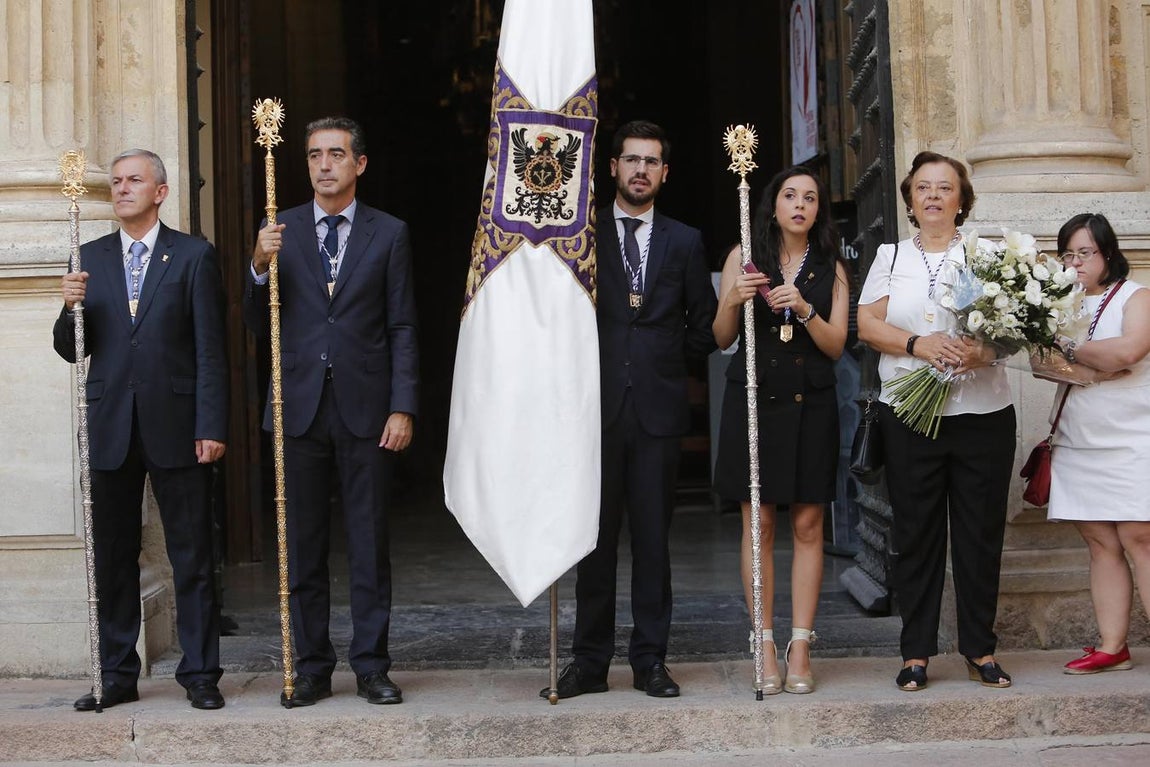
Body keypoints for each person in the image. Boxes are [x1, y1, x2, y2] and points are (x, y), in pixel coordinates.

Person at [244, 117, 419, 707]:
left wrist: (403, 406)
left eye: (336, 154)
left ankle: (371, 665)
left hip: (367, 410)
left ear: (359, 164)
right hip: (297, 407)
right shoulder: (280, 228)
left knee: (368, 543)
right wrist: (257, 266)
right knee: (303, 543)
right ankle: (312, 665)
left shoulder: (388, 233)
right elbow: (255, 323)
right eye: (315, 155)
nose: (324, 165)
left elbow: (401, 326)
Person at [544, 120, 717, 699]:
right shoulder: (580, 236)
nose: (640, 170)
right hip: (592, 414)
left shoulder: (685, 240)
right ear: (612, 167)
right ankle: (589, 663)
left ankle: (650, 662)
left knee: (652, 543)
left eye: (652, 161)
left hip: (659, 414)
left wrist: (665, 363)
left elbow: (703, 325)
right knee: (592, 543)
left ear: (665, 173)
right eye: (631, 160)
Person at [54, 149, 228, 711]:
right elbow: (70, 349)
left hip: (179, 426)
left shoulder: (194, 256)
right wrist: (68, 307)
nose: (123, 188)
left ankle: (201, 675)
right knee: (112, 556)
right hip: (112, 427)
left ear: (161, 191)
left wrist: (211, 423)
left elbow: (210, 351)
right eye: (117, 181)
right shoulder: (89, 256)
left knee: (192, 555)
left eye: (134, 180)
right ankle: (116, 675)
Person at [857, 151, 1015, 692]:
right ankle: (917, 652)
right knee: (916, 533)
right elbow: (867, 324)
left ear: (961, 199)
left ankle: (980, 648)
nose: (933, 196)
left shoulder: (987, 255)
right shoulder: (890, 255)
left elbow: (1012, 328)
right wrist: (916, 344)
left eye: (944, 187)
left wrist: (984, 353)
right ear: (908, 199)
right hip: (910, 414)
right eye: (923, 187)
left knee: (978, 535)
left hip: (981, 413)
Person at [711, 167, 850, 694]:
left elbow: (836, 345)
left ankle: (801, 647)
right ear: (772, 205)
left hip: (811, 403)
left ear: (818, 210)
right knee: (760, 526)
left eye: (810, 197)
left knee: (809, 525)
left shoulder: (831, 267)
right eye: (790, 195)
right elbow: (722, 336)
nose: (799, 205)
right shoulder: (742, 256)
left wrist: (806, 308)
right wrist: (734, 298)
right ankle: (763, 642)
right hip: (754, 402)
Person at [1046, 213, 1150, 674]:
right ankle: (1113, 647)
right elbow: (1040, 361)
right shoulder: (1056, 306)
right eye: (1067, 254)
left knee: (1139, 535)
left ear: (1108, 253)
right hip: (1078, 435)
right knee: (1099, 539)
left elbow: (1130, 352)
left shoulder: (1136, 295)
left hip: (1131, 433)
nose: (1075, 263)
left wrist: (1070, 352)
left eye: (1085, 252)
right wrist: (1094, 365)